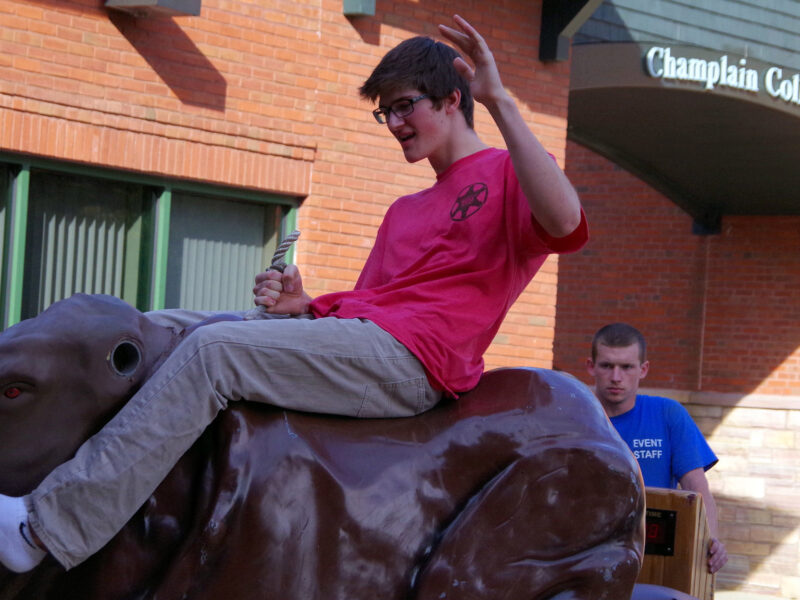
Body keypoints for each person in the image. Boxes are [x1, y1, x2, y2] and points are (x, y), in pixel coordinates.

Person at [0, 14, 587, 573]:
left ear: (454, 99)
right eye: (385, 114)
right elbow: (373, 306)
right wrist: (304, 307)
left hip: (417, 365)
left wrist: (502, 100)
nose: (395, 124)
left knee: (214, 353)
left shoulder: (511, 174)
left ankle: (43, 529)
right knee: (159, 328)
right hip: (371, 344)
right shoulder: (404, 210)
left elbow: (564, 222)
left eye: (405, 106)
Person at [586, 322, 728, 574]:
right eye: (607, 366)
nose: (616, 377)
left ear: (643, 369)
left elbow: (696, 487)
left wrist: (711, 540)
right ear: (591, 367)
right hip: (585, 554)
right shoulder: (575, 416)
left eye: (627, 367)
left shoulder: (668, 414)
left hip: (655, 556)